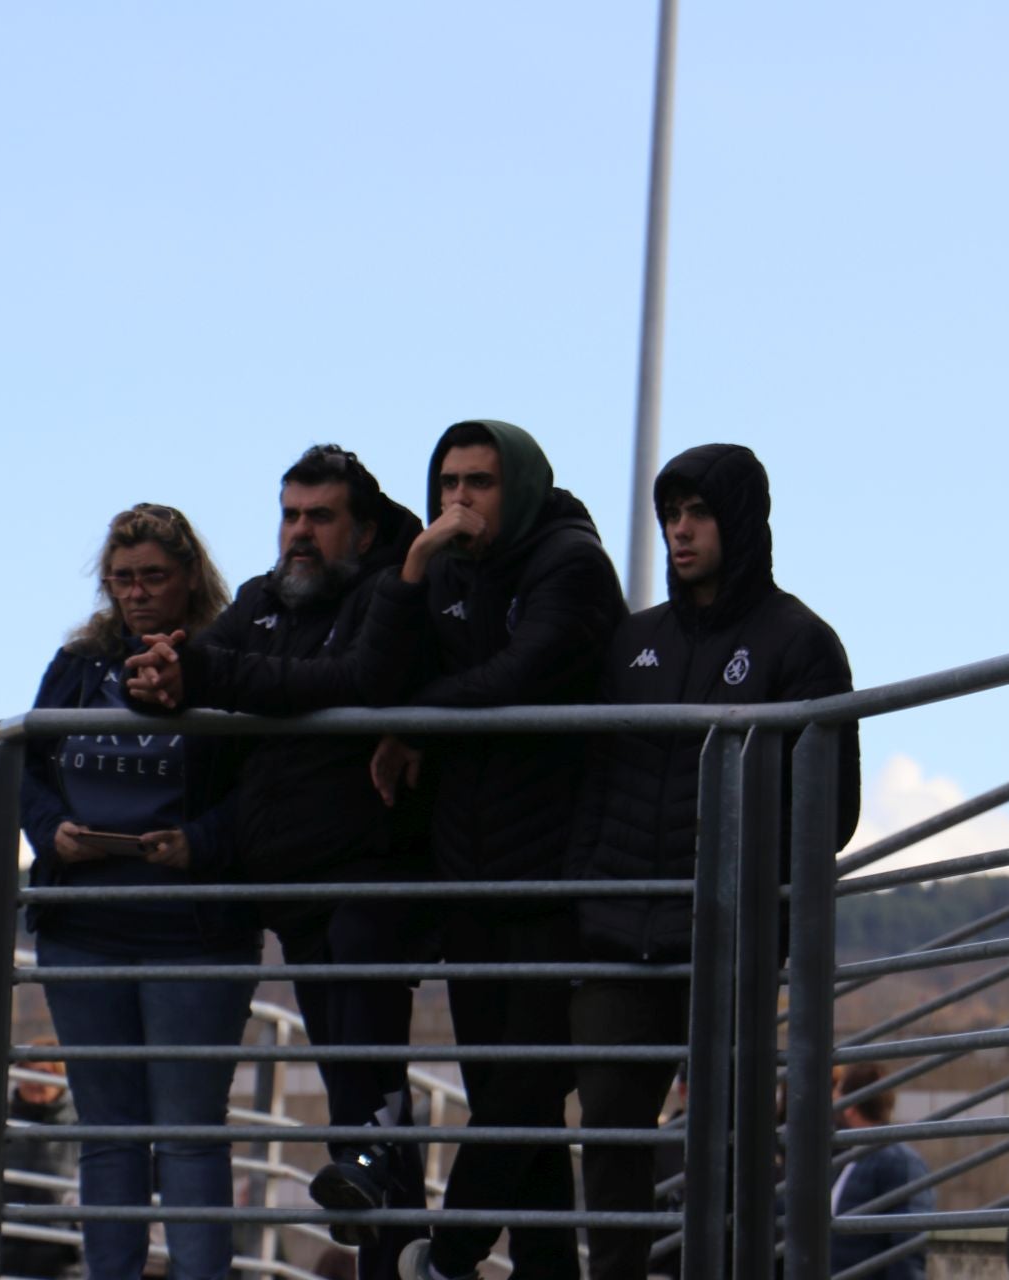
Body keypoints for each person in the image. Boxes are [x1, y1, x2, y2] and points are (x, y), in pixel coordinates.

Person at [123, 445, 429, 1280]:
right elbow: (201, 664)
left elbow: (353, 677)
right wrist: (160, 677)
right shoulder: (259, 601)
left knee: (369, 1085)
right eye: (290, 514)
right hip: (291, 884)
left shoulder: (385, 594)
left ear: (360, 530)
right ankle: (392, 1243)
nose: (298, 533)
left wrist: (215, 672)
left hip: (369, 873)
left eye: (319, 517)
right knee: (351, 1092)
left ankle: (398, 1227)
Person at [565, 443, 861, 1280]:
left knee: (730, 1143)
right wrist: (591, 891)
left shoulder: (801, 641)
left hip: (731, 940)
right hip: (621, 935)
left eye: (697, 514)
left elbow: (830, 809)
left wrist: (742, 891)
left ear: (740, 521)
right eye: (670, 515)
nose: (679, 531)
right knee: (613, 1136)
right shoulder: (632, 645)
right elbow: (591, 781)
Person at [369, 420, 626, 1280]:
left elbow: (519, 678)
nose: (458, 501)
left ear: (516, 487)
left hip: (560, 871)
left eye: (478, 482)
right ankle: (547, 1269)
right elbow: (385, 676)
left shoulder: (570, 564)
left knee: (524, 1085)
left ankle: (449, 1254)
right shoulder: (439, 566)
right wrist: (409, 572)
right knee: (513, 1111)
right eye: (447, 483)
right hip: (469, 868)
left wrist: (416, 721)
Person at [18, 502, 261, 1280]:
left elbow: (266, 785)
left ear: (190, 577)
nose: (136, 593)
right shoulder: (78, 665)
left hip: (193, 927)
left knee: (190, 1132)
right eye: (122, 579)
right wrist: (51, 827)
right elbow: (24, 767)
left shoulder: (231, 658)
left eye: (153, 576)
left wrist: (201, 843)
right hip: (83, 920)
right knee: (108, 1132)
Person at [829, 1064, 932, 1280]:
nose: (833, 1098)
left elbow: (907, 1251)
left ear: (850, 1106)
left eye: (838, 1092)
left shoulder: (898, 1161)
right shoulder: (852, 1157)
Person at [0, 1040, 83, 1280]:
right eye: (26, 1071)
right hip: (4, 1254)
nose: (34, 1080)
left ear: (60, 1077)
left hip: (61, 1259)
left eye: (44, 1073)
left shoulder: (80, 1127)